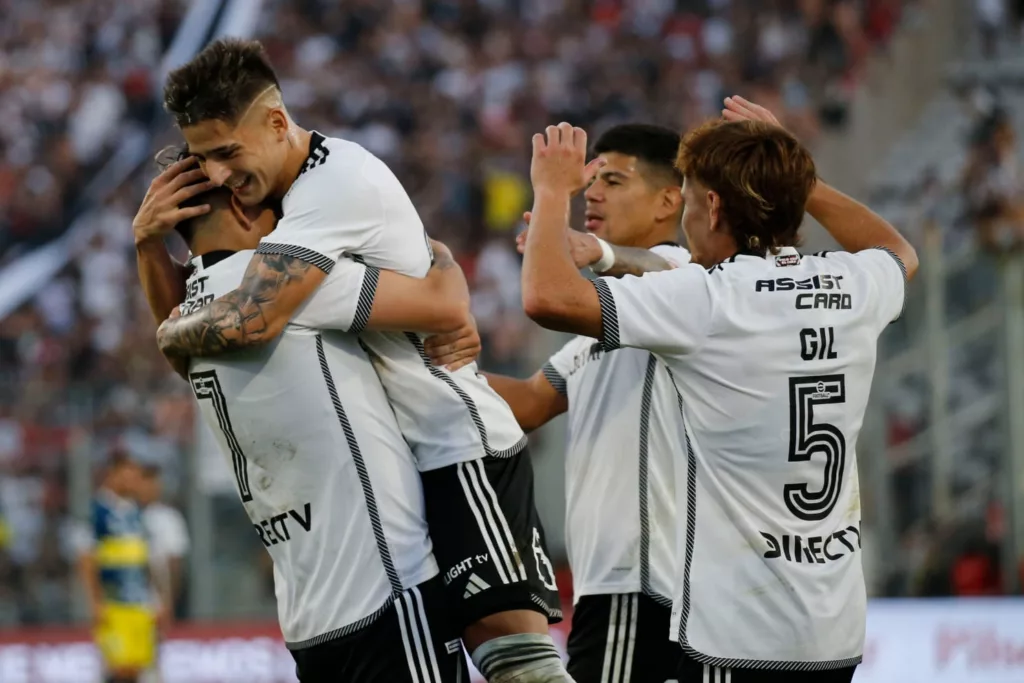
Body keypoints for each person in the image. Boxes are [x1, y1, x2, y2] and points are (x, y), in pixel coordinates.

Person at [150, 38, 567, 682]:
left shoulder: (332, 186)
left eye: (227, 153)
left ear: (277, 123)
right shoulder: (281, 211)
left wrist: (172, 332)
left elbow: (253, 316)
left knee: (517, 665)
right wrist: (152, 250)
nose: (217, 175)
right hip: (399, 465)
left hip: (453, 443)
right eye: (204, 159)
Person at [518, 97, 918, 683]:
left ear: (709, 205)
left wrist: (553, 191)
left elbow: (547, 298)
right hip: (832, 628)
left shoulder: (710, 299)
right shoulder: (850, 283)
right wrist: (797, 176)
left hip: (738, 630)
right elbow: (899, 252)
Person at [134, 151, 474, 683]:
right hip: (385, 589)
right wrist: (444, 257)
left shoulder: (188, 316)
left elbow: (172, 328)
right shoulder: (281, 285)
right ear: (246, 208)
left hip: (308, 618)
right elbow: (444, 303)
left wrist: (146, 243)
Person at [485, 124, 689, 683]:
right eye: (587, 180)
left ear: (670, 199)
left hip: (643, 576)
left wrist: (558, 199)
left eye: (612, 180)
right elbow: (528, 402)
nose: (590, 193)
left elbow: (666, 270)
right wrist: (418, 367)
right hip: (620, 579)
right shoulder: (621, 318)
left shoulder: (688, 285)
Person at [76, 450, 155, 683]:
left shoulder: (135, 511)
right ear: (113, 474)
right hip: (114, 602)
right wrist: (95, 601)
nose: (134, 480)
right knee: (120, 669)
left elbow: (143, 560)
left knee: (137, 668)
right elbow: (86, 558)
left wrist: (154, 599)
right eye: (129, 474)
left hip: (139, 603)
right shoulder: (96, 511)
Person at [137, 464, 189, 626]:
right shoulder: (124, 515)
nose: (151, 488)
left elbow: (175, 564)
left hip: (157, 601)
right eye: (145, 483)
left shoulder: (169, 517)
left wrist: (169, 603)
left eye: (154, 483)